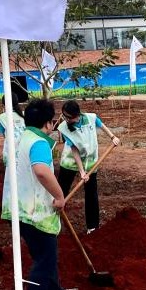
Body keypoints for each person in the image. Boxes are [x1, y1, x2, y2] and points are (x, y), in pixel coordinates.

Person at [2, 99, 78, 290]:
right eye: (52, 121)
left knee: (44, 255)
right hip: (33, 212)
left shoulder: (21, 138)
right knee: (44, 258)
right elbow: (42, 171)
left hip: (17, 208)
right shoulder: (39, 143)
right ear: (48, 123)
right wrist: (60, 196)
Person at [55, 100, 120, 233]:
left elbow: (101, 125)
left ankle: (92, 227)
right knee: (61, 192)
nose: (67, 120)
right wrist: (81, 172)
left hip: (90, 162)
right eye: (65, 116)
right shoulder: (64, 127)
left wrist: (112, 137)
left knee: (91, 193)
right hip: (69, 162)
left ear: (77, 115)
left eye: (69, 117)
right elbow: (74, 150)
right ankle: (53, 223)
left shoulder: (90, 118)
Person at [0, 96, 25, 164]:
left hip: (10, 148)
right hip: (25, 146)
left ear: (4, 104)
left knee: (10, 167)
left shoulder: (2, 117)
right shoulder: (24, 114)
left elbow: (2, 133)